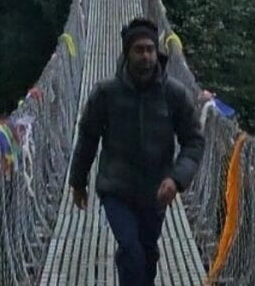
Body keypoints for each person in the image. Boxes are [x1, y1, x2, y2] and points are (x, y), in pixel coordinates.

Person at [68, 17, 205, 286]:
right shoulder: (106, 94)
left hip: (156, 191)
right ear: (126, 53)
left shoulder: (174, 94)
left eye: (150, 50)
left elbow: (194, 141)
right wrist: (77, 181)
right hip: (116, 188)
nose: (146, 56)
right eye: (139, 50)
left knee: (147, 252)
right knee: (130, 249)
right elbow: (88, 136)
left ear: (158, 52)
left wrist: (176, 179)